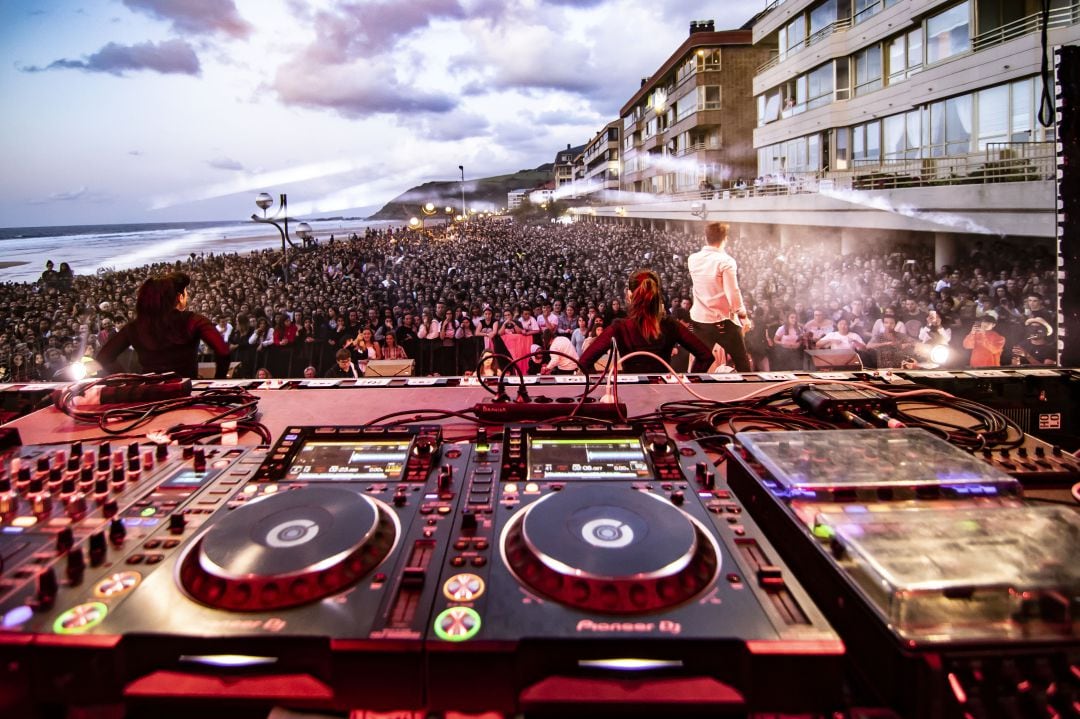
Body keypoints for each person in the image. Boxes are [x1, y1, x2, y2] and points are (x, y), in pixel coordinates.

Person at [97, 272, 229, 379]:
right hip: (185, 391)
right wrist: (218, 380)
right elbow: (222, 351)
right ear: (175, 297)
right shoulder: (193, 320)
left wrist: (128, 381)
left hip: (151, 394)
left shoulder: (134, 327)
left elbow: (104, 357)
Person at [579, 269, 712, 374]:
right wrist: (693, 382)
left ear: (630, 295)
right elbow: (705, 355)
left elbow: (584, 362)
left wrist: (603, 388)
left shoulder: (620, 327)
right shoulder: (671, 324)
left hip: (631, 398)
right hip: (663, 395)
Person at [687, 223, 751, 372]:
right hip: (723, 321)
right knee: (741, 361)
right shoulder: (726, 261)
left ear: (706, 237)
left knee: (701, 361)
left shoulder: (693, 259)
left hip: (700, 320)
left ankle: (692, 390)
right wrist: (744, 318)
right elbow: (732, 293)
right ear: (725, 239)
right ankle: (751, 393)